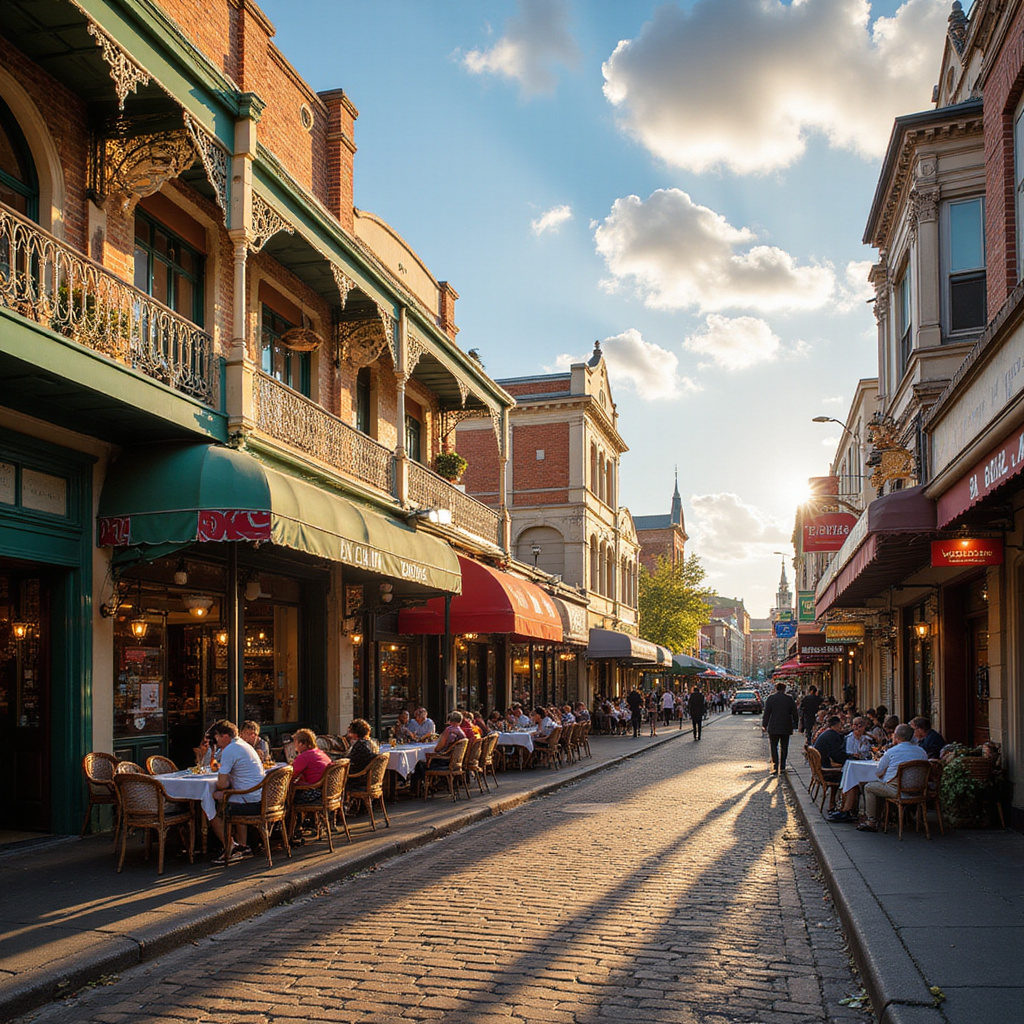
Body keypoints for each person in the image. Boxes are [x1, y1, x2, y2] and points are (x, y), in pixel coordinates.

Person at [207, 719, 265, 863]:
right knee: (226, 797)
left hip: (249, 802)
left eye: (217, 738)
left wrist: (224, 790)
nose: (216, 741)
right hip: (259, 797)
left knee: (209, 803)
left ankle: (230, 846)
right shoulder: (243, 745)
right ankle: (243, 847)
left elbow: (221, 784)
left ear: (225, 736)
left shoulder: (230, 750)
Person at [854, 723, 929, 832]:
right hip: (919, 791)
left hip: (896, 790)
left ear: (896, 737)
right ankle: (894, 817)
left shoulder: (892, 752)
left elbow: (878, 771)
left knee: (869, 787)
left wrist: (885, 773)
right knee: (879, 786)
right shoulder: (921, 751)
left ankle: (871, 821)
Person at [761, 681, 799, 776]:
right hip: (786, 726)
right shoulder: (789, 699)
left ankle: (775, 765)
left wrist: (764, 725)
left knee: (774, 747)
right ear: (784, 689)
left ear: (776, 689)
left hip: (773, 726)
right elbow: (795, 713)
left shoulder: (771, 698)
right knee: (784, 747)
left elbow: (767, 713)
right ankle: (782, 766)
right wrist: (796, 724)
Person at [289, 728, 332, 806]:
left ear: (302, 743)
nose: (294, 746)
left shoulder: (305, 756)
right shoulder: (320, 752)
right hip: (326, 790)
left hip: (313, 793)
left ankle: (290, 817)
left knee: (287, 795)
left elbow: (291, 774)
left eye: (295, 743)